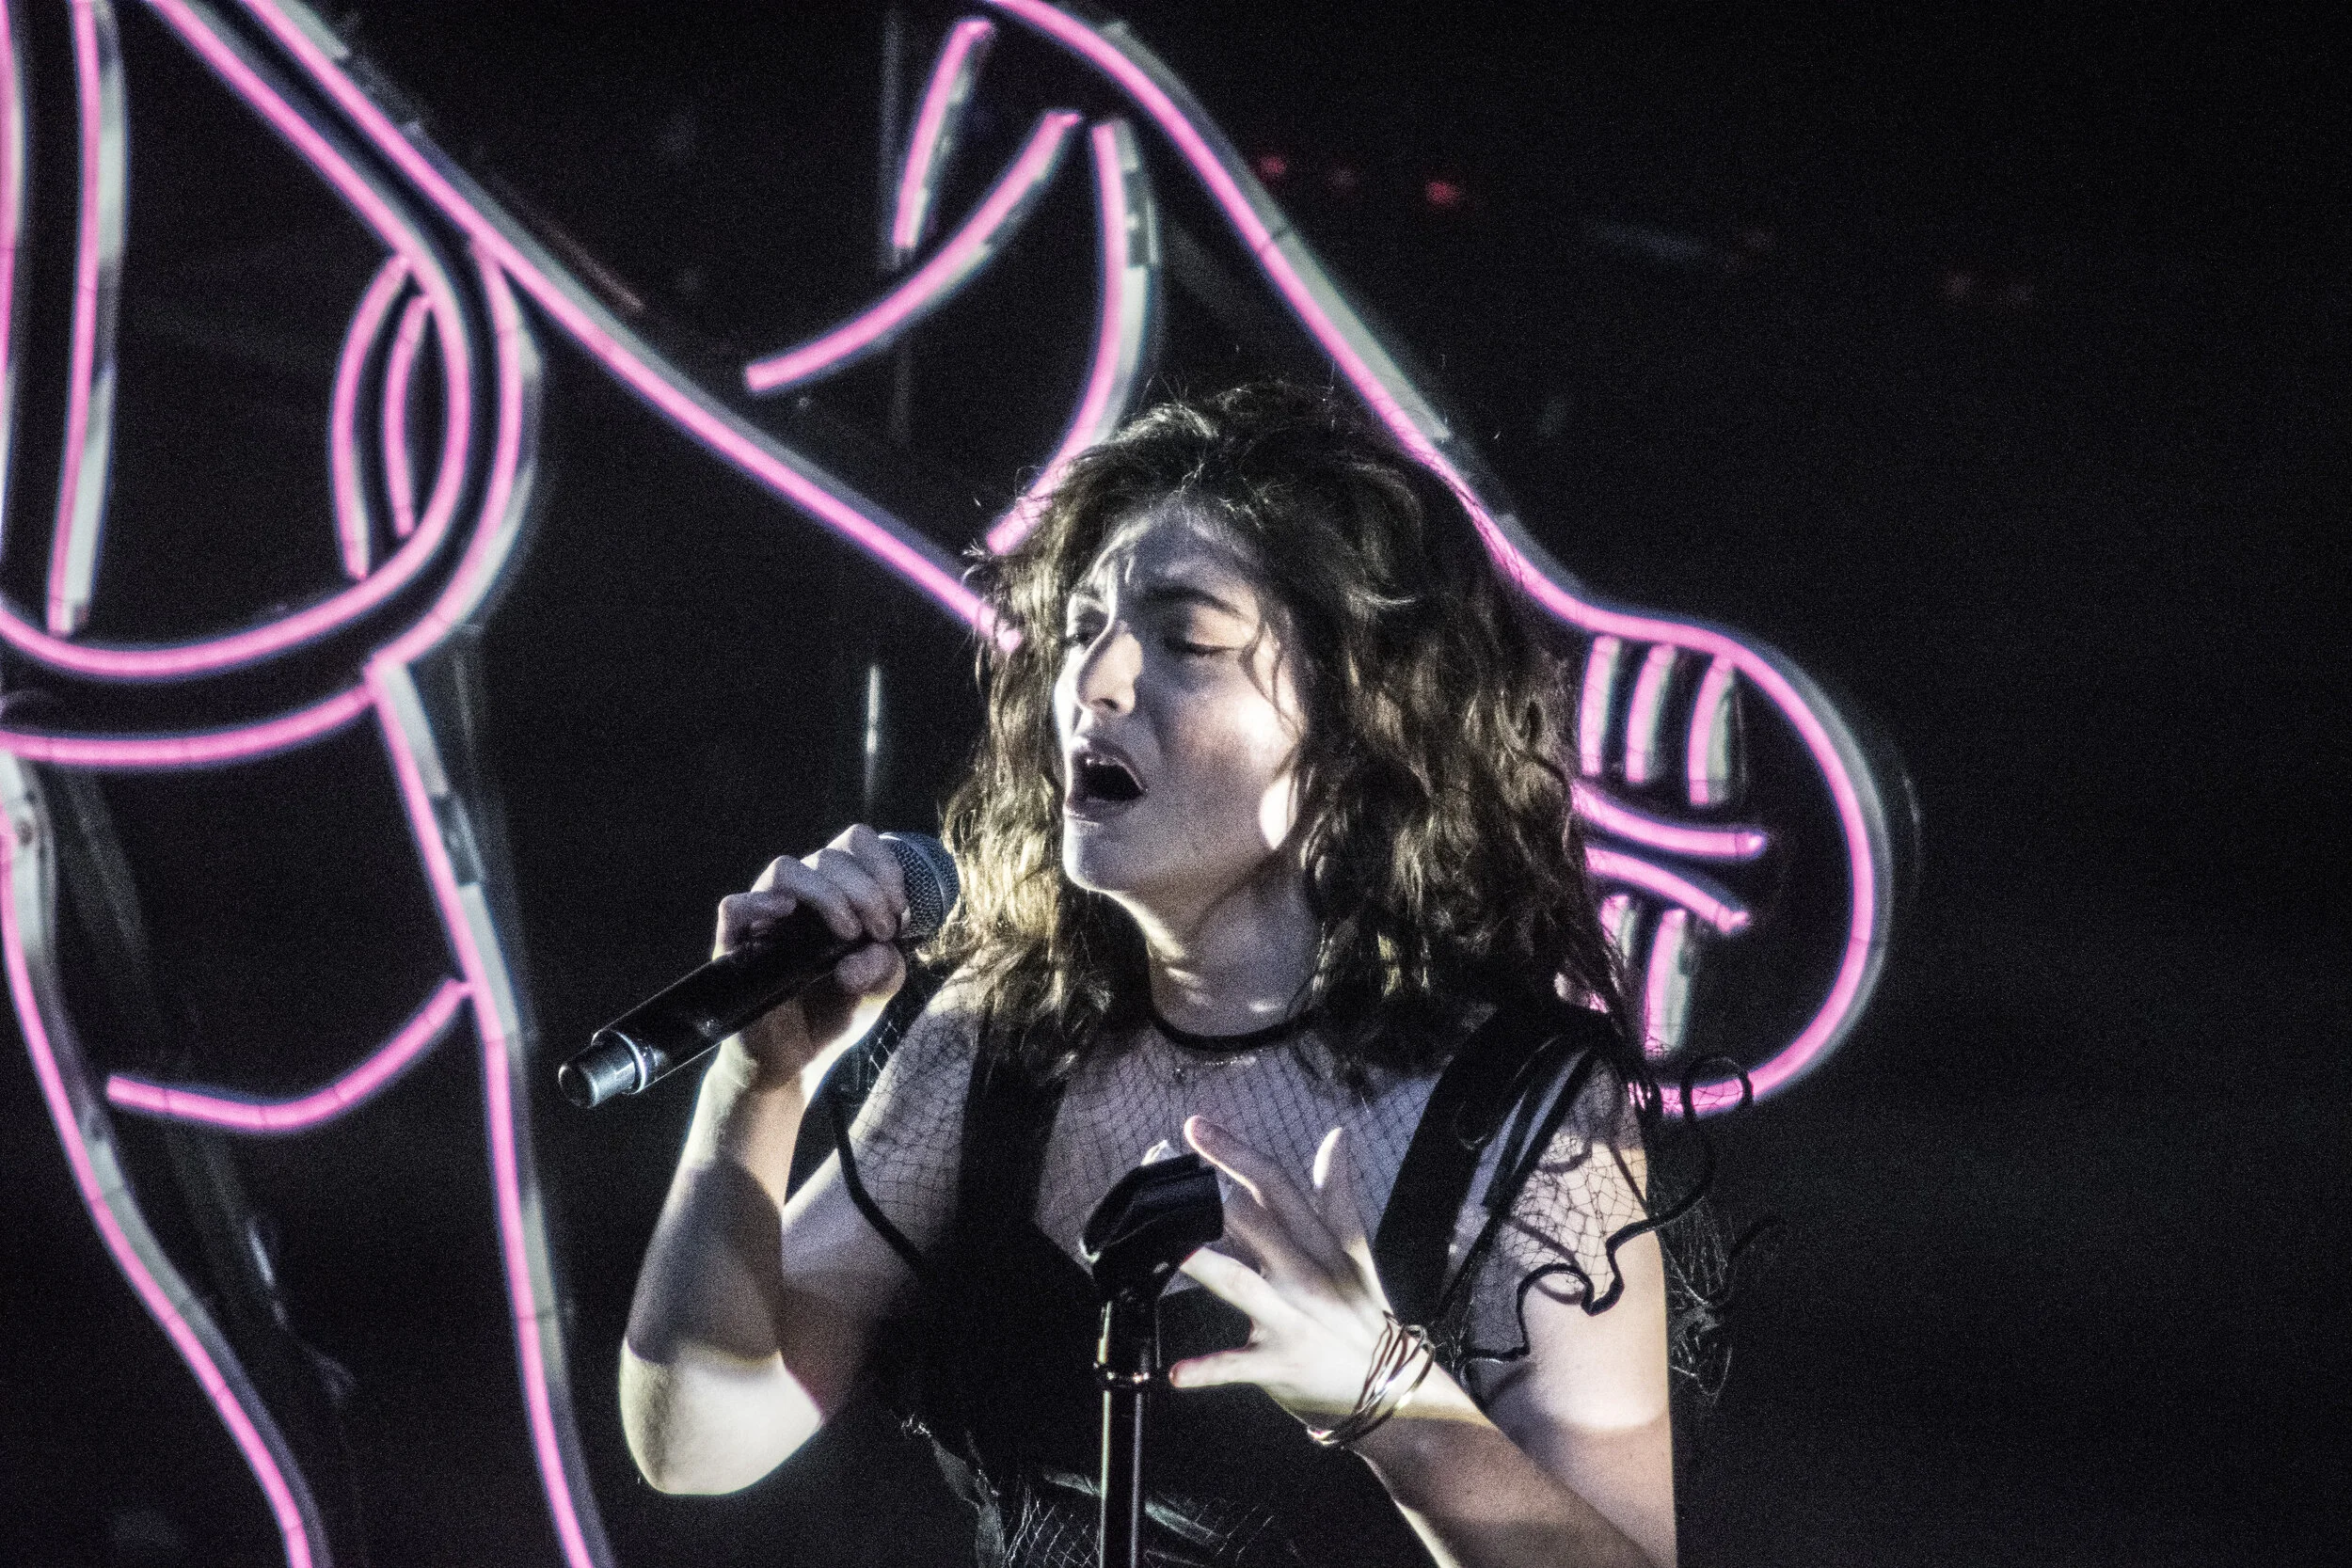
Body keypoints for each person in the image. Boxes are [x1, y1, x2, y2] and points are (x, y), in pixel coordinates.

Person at [620, 384, 1678, 1567]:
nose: (1097, 681)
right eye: (1081, 628)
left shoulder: (1528, 1111)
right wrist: (755, 1089)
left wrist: (1394, 1406)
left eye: (1185, 641)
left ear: (1356, 724)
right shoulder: (1002, 1040)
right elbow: (699, 1438)